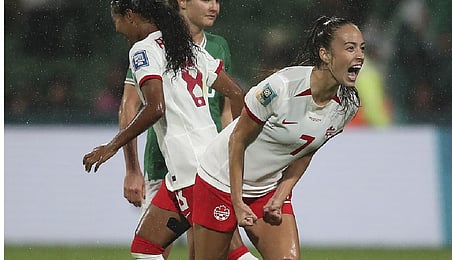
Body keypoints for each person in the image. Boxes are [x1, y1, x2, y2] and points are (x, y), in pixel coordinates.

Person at [192, 16, 365, 259]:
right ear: (325, 54)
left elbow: (306, 151)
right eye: (350, 48)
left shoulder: (347, 105)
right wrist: (237, 201)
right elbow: (237, 140)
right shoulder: (280, 88)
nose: (360, 55)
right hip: (220, 182)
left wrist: (280, 196)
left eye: (362, 48)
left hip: (267, 189)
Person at [83, 1, 244, 260]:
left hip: (194, 172)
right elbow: (236, 93)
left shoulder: (143, 51)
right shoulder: (187, 48)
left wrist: (111, 146)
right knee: (145, 247)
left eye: (117, 21)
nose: (117, 29)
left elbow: (156, 107)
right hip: (195, 169)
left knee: (230, 253)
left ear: (130, 16)